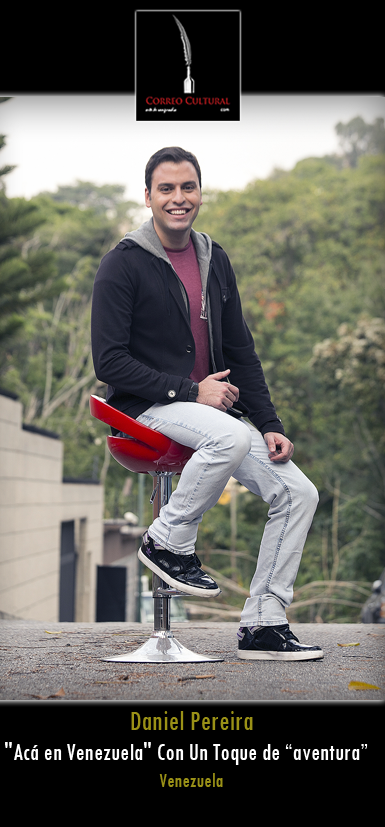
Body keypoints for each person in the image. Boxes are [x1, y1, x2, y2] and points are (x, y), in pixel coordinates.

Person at [91, 146, 323, 661]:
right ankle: (167, 541)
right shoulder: (122, 263)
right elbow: (109, 363)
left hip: (213, 417)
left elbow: (240, 351)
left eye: (188, 187)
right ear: (147, 196)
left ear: (200, 192)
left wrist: (269, 423)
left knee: (298, 493)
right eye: (166, 189)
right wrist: (192, 391)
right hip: (146, 408)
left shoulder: (215, 259)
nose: (178, 198)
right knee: (229, 434)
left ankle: (264, 623)